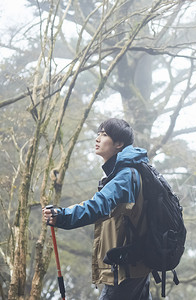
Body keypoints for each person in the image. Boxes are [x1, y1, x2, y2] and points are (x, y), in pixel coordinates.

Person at [42, 118, 152, 300]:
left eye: (105, 135)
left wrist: (62, 216)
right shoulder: (132, 171)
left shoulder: (124, 176)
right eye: (98, 134)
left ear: (119, 144)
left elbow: (97, 206)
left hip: (124, 270)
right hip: (137, 266)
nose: (98, 139)